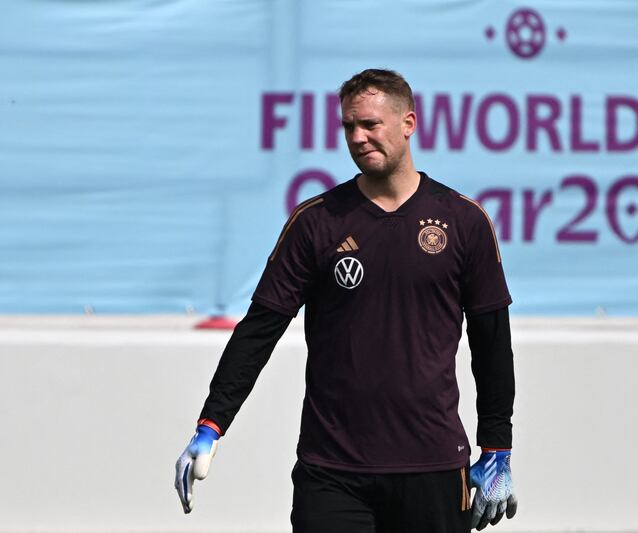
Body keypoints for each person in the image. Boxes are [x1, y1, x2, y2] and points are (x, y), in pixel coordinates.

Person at [175, 68, 517, 532]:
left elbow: (492, 344)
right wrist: (212, 423)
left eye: (370, 124)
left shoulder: (463, 221)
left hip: (433, 467)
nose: (358, 137)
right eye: (348, 127)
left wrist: (497, 447)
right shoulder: (317, 222)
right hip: (332, 470)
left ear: (408, 123)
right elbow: (259, 330)